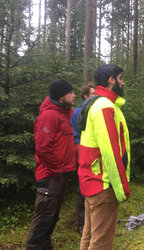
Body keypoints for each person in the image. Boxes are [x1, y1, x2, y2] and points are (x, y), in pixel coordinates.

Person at [78, 64, 131, 250]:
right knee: (100, 242)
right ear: (111, 80)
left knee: (89, 236)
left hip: (91, 181)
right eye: (121, 78)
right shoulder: (104, 106)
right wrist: (121, 188)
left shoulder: (93, 103)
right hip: (104, 184)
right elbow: (111, 152)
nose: (122, 83)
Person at [26, 80, 76, 249]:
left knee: (52, 216)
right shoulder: (48, 116)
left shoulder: (65, 113)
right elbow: (43, 149)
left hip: (60, 174)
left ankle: (45, 246)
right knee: (44, 217)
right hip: (50, 176)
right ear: (62, 96)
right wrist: (56, 170)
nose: (74, 95)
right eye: (71, 92)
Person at [70, 83, 95, 236]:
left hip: (96, 157)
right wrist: (81, 153)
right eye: (93, 93)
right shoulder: (78, 112)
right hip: (83, 156)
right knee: (83, 189)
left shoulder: (98, 111)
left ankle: (94, 219)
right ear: (85, 96)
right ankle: (82, 223)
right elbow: (74, 137)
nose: (96, 96)